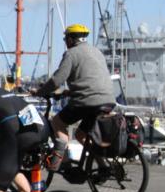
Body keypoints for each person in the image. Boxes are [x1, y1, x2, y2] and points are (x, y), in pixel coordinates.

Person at [34, 24, 116, 170]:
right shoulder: (96, 52)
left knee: (57, 122)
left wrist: (40, 92)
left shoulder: (71, 54)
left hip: (87, 101)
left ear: (71, 39)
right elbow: (91, 82)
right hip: (108, 100)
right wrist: (68, 92)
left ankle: (61, 162)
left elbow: (56, 80)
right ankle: (104, 166)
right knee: (81, 135)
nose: (65, 41)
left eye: (66, 38)